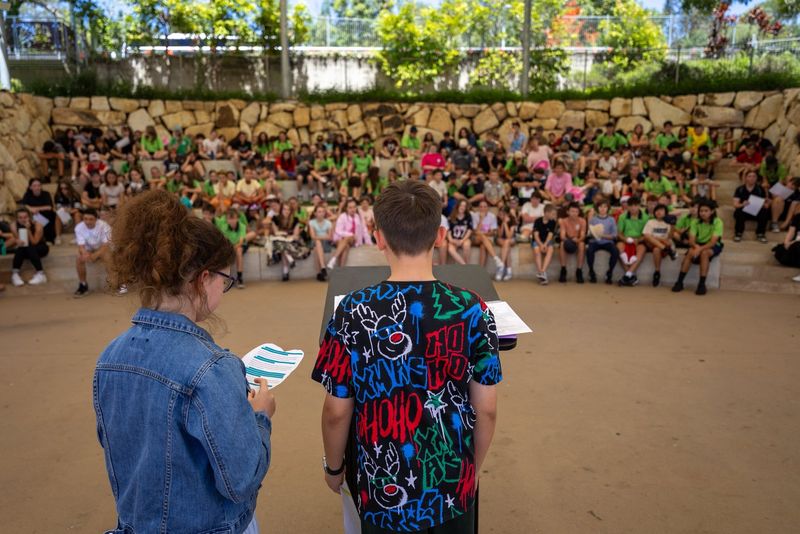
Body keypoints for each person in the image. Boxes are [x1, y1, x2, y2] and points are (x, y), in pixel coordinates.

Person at [312, 180, 500, 534]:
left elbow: (336, 411)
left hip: (382, 487)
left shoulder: (351, 311)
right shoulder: (473, 308)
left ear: (379, 238)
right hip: (452, 481)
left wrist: (334, 468)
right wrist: (470, 471)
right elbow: (486, 408)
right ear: (440, 236)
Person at [94, 189, 274, 533]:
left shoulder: (109, 359)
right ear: (203, 279)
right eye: (225, 280)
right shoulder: (212, 368)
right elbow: (242, 478)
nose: (224, 290)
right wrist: (261, 416)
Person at [672, 199, 723, 295]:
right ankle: (679, 282)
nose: (703, 213)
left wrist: (699, 249)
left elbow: (712, 242)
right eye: (701, 211)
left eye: (706, 211)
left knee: (704, 253)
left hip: (713, 245)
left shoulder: (718, 222)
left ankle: (701, 284)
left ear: (712, 211)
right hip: (698, 244)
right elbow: (691, 240)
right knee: (690, 253)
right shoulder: (695, 222)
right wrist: (696, 247)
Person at [73, 208, 113, 298]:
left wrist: (95, 255)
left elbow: (106, 245)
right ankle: (83, 285)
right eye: (85, 219)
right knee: (79, 258)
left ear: (96, 219)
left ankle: (114, 282)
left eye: (91, 219)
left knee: (109, 257)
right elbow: (81, 246)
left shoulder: (104, 226)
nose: (88, 222)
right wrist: (85, 254)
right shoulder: (79, 227)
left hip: (102, 248)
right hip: (88, 249)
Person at [216, 208, 256, 289]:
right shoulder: (223, 227)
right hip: (229, 245)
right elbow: (224, 241)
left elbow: (240, 241)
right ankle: (224, 278)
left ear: (237, 218)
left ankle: (240, 278)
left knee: (239, 251)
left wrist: (233, 249)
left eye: (233, 218)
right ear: (227, 220)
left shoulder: (242, 226)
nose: (232, 221)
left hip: (239, 244)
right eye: (229, 219)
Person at [9, 207, 49, 287]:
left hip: (40, 247)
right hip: (25, 249)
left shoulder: (38, 225)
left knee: (29, 246)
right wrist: (17, 241)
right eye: (20, 218)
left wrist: (28, 230)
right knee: (22, 247)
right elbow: (18, 239)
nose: (23, 220)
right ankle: (15, 274)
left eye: (25, 217)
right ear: (16, 218)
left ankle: (41, 274)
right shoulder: (13, 225)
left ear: (30, 217)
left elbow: (35, 242)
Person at [328, 198, 369, 271]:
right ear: (346, 208)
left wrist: (368, 242)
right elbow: (338, 231)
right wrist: (350, 234)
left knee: (347, 238)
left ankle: (333, 259)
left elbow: (364, 230)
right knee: (346, 247)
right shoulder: (342, 216)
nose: (352, 209)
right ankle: (341, 270)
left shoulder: (358, 216)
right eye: (350, 207)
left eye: (354, 207)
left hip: (353, 240)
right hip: (340, 239)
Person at [616, 197, 649, 286]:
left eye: (636, 205)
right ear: (627, 206)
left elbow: (646, 234)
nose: (633, 208)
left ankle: (627, 276)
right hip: (625, 239)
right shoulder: (622, 216)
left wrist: (638, 240)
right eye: (631, 206)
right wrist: (625, 239)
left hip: (639, 240)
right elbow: (619, 233)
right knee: (619, 248)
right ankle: (630, 275)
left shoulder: (646, 217)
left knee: (641, 250)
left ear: (639, 206)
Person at [642, 204, 676, 287]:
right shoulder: (651, 222)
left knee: (657, 249)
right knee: (647, 236)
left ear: (666, 212)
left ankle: (657, 272)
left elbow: (670, 237)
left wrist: (672, 226)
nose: (658, 212)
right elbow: (647, 236)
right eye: (657, 210)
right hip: (651, 244)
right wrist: (660, 239)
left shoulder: (668, 223)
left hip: (662, 244)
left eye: (661, 210)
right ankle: (665, 249)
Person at [586, 198, 619, 284]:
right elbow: (589, 234)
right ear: (597, 208)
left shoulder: (611, 219)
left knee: (615, 251)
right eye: (600, 207)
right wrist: (594, 233)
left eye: (605, 207)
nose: (603, 209)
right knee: (589, 251)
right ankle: (591, 272)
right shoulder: (593, 219)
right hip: (595, 241)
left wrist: (602, 235)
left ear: (608, 208)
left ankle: (610, 272)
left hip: (607, 242)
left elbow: (614, 235)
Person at [733, 170, 770, 243]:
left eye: (754, 176)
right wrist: (743, 204)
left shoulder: (760, 189)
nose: (752, 178)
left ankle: (760, 234)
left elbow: (766, 204)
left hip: (756, 211)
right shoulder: (740, 189)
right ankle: (738, 233)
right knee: (738, 211)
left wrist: (764, 204)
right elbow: (735, 205)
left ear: (756, 178)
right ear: (746, 178)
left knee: (764, 212)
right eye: (749, 176)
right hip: (744, 211)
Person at [558, 202, 587, 284]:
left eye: (576, 211)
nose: (574, 213)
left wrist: (577, 240)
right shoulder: (564, 221)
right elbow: (562, 236)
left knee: (582, 245)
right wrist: (569, 240)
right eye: (572, 211)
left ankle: (579, 271)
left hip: (578, 240)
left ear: (578, 212)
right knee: (562, 244)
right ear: (568, 212)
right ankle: (563, 270)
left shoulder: (582, 221)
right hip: (568, 240)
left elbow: (583, 235)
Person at [20, 178, 56, 243]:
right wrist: (30, 209)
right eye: (34, 186)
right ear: (30, 187)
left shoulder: (46, 194)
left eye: (39, 185)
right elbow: (23, 205)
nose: (37, 188)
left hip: (45, 215)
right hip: (33, 215)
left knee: (50, 215)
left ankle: (48, 239)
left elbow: (49, 207)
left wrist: (35, 209)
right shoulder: (27, 195)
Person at [532, 204, 557, 284]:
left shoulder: (553, 222)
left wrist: (545, 244)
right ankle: (541, 273)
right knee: (537, 251)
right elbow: (536, 235)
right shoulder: (537, 221)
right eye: (553, 214)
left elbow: (550, 235)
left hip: (547, 241)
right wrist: (540, 245)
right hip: (537, 241)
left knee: (550, 249)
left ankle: (542, 271)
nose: (554, 216)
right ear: (546, 213)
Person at [772, 212, 800, 281]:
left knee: (797, 245)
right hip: (795, 244)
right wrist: (786, 242)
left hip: (797, 243)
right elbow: (791, 232)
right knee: (780, 251)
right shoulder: (798, 216)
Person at [309, 204, 334, 281]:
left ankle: (319, 273)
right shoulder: (311, 222)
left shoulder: (328, 223)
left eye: (323, 212)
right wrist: (324, 236)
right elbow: (312, 236)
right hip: (314, 242)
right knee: (317, 243)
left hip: (326, 243)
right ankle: (323, 268)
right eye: (319, 212)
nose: (321, 213)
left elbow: (329, 237)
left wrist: (319, 237)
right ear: (315, 213)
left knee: (316, 249)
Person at [446, 199, 474, 265]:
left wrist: (462, 240)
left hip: (464, 238)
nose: (462, 207)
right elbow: (448, 230)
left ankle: (466, 263)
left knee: (467, 244)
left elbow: (469, 230)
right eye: (461, 205)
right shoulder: (451, 216)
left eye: (464, 206)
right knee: (450, 249)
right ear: (457, 206)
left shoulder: (468, 216)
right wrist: (451, 240)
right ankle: (464, 265)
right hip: (454, 239)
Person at [495, 206, 516, 281]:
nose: (501, 216)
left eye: (503, 214)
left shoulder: (512, 219)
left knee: (507, 242)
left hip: (511, 239)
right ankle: (509, 271)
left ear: (507, 214)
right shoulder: (498, 219)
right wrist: (502, 224)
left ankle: (501, 267)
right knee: (507, 247)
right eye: (500, 214)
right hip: (500, 239)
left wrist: (506, 224)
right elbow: (500, 235)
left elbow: (509, 236)